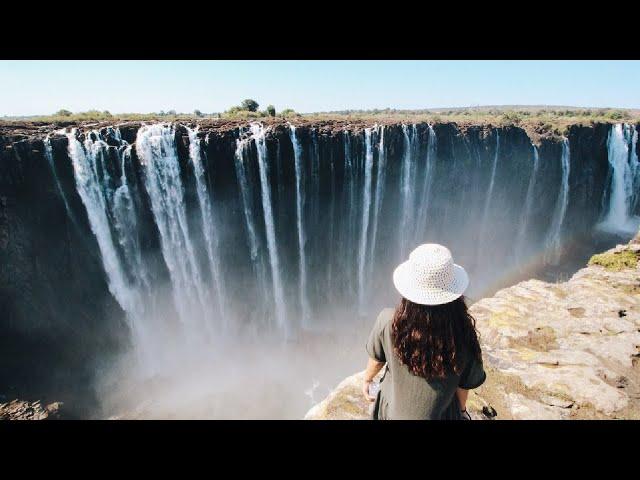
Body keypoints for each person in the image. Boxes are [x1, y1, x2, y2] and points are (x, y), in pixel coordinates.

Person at [362, 243, 485, 420]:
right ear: (454, 293)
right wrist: (462, 411)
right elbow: (463, 385)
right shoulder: (463, 336)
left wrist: (367, 380)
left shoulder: (388, 321)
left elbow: (376, 360)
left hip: (392, 414)